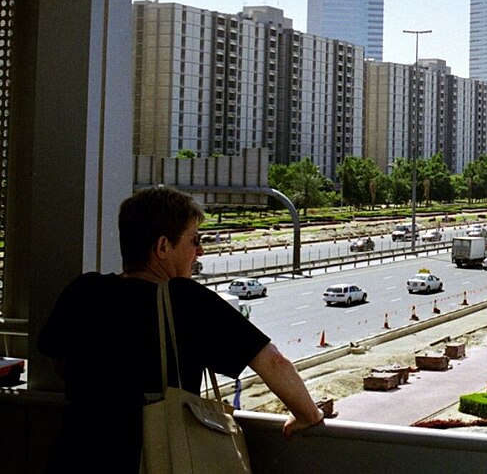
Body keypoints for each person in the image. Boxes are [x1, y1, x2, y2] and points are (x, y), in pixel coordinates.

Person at [39, 186, 329, 472]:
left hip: (73, 456)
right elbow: (274, 362)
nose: (200, 250)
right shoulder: (185, 299)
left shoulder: (85, 289)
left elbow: (58, 359)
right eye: (194, 240)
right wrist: (307, 415)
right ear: (163, 247)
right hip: (153, 458)